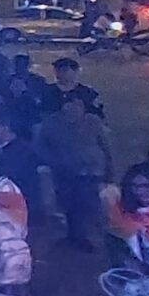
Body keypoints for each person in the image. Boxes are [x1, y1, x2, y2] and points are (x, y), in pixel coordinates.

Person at [34, 91, 115, 253]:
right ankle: (73, 236)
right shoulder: (52, 123)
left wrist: (109, 172)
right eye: (70, 105)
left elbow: (106, 148)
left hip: (91, 172)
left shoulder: (93, 122)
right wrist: (55, 162)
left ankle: (89, 239)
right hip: (64, 172)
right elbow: (40, 147)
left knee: (87, 206)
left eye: (78, 105)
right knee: (68, 204)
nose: (74, 109)